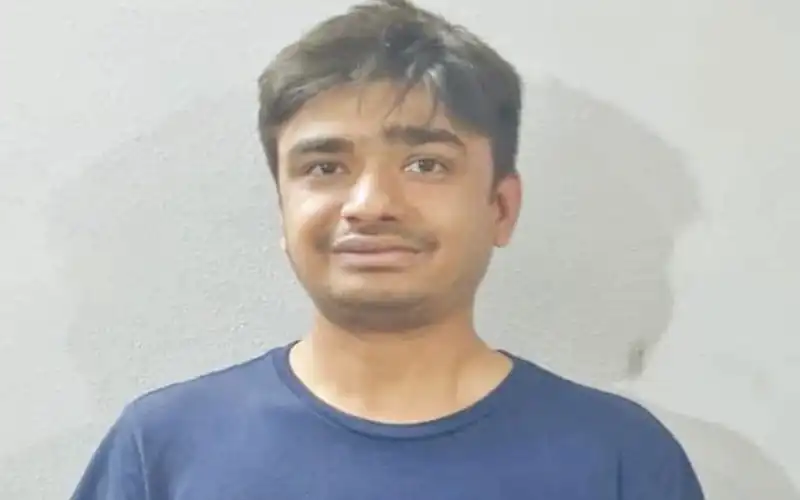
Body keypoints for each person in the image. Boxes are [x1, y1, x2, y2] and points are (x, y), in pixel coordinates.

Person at [71, 0, 705, 498]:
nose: (370, 204)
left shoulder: (620, 459)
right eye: (324, 168)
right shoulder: (163, 450)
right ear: (282, 209)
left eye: (426, 164)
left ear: (501, 207)